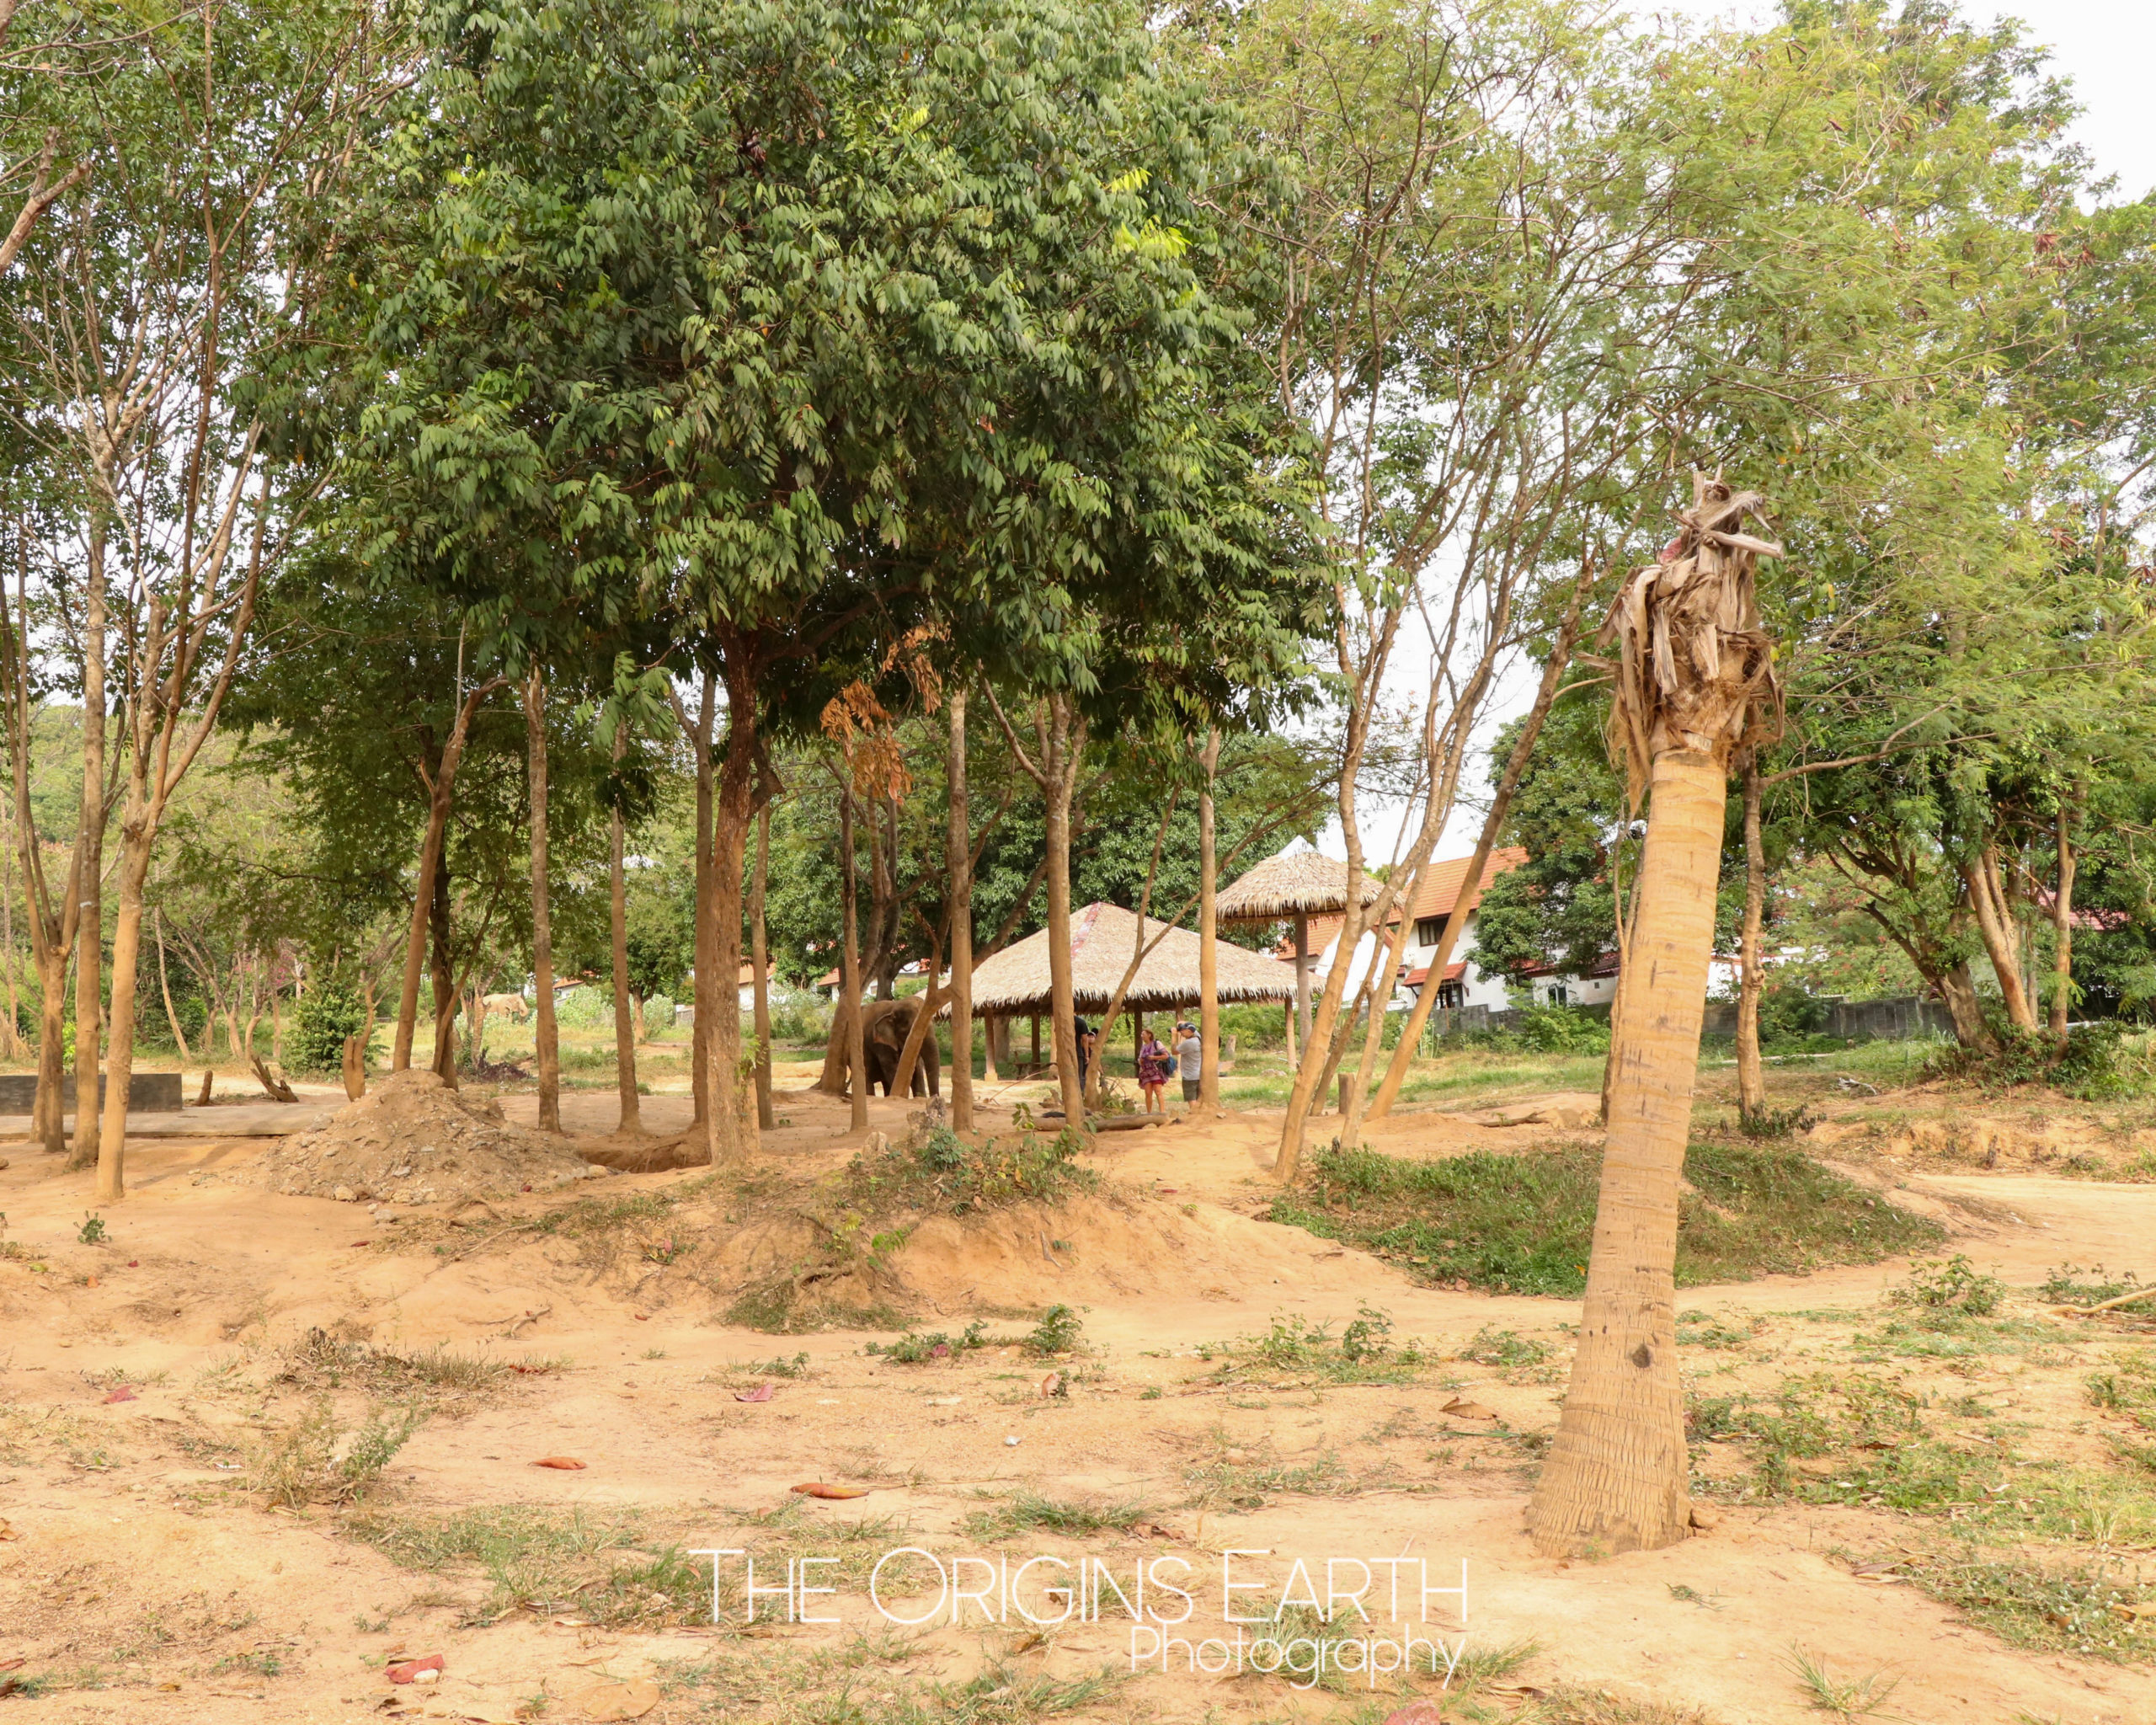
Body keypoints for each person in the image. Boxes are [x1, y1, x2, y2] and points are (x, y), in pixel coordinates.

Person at [1136, 1028, 1171, 1114]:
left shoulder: (1157, 1044)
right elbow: (1140, 1059)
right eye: (1141, 1035)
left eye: (1143, 1034)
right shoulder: (1143, 1047)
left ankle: (1162, 1112)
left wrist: (1154, 1057)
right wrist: (1141, 1060)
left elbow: (1166, 1055)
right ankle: (1149, 1113)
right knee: (1148, 1093)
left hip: (1155, 1070)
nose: (1142, 1036)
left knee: (1158, 1091)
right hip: (1145, 1072)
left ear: (1149, 1035)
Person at [1176, 1020, 1203, 1107]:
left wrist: (1173, 1036)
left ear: (1190, 1031)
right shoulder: (1198, 1038)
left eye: (1183, 1031)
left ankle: (1194, 1117)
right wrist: (1182, 1023)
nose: (1181, 1032)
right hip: (1199, 1074)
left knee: (1191, 1099)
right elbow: (1194, 1029)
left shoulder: (1188, 1043)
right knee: (1198, 1098)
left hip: (1189, 1076)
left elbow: (1174, 1051)